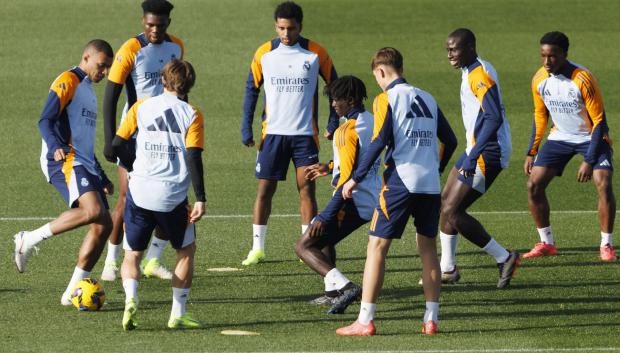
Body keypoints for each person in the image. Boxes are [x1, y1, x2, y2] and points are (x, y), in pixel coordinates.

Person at [337, 47, 457, 336]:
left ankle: (365, 320)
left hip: (401, 183)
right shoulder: (427, 97)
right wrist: (435, 170)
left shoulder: (385, 98)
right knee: (428, 249)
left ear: (380, 71)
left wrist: (354, 178)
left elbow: (378, 142)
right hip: (430, 186)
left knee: (377, 247)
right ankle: (431, 320)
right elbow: (451, 140)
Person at [13, 39, 115, 306]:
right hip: (64, 158)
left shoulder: (90, 90)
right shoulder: (69, 79)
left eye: (108, 68)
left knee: (104, 224)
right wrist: (56, 145)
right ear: (86, 58)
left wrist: (101, 175)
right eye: (101, 66)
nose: (104, 72)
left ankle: (71, 291)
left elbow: (84, 139)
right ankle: (28, 239)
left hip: (83, 160)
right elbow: (45, 118)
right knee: (94, 212)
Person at [240, 1, 338, 266]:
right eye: (281, 28)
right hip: (272, 134)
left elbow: (335, 86)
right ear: (276, 26)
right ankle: (257, 248)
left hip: (305, 135)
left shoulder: (316, 53)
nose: (286, 34)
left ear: (300, 27)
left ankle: (308, 246)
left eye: (291, 29)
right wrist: (246, 127)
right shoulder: (264, 53)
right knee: (264, 190)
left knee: (307, 190)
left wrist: (333, 122)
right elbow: (252, 89)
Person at [112, 59, 206, 330]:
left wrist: (133, 167)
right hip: (172, 197)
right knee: (186, 251)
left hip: (139, 192)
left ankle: (131, 299)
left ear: (162, 80)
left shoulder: (141, 107)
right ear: (190, 84)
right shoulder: (192, 114)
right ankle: (177, 313)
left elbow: (116, 145)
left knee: (132, 255)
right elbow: (193, 157)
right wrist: (200, 197)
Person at [101, 0, 185, 281]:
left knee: (171, 196)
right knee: (126, 198)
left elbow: (179, 90)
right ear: (142, 22)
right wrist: (110, 139)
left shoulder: (177, 47)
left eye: (160, 25)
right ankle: (111, 261)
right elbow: (111, 95)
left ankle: (152, 260)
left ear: (168, 24)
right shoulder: (130, 50)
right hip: (134, 136)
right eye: (150, 24)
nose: (155, 30)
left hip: (165, 136)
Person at [523, 31, 616, 261]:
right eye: (543, 56)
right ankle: (546, 243)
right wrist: (531, 151)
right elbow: (540, 116)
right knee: (533, 185)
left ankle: (606, 245)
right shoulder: (539, 79)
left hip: (591, 138)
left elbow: (599, 122)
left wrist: (588, 159)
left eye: (552, 56)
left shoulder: (582, 78)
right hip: (560, 138)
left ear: (564, 54)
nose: (547, 62)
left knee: (603, 183)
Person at [438, 28, 519, 287]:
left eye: (454, 49)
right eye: (448, 49)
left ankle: (504, 257)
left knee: (453, 210)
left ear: (471, 47)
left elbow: (493, 116)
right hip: (476, 147)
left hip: (488, 151)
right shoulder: (471, 70)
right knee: (445, 203)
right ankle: (447, 269)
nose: (449, 54)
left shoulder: (479, 74)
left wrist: (474, 154)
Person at [296, 76, 382, 315]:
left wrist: (326, 214)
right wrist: (330, 166)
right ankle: (332, 293)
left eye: (337, 99)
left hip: (351, 199)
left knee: (304, 246)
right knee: (326, 240)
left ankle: (346, 287)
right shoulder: (373, 122)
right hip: (372, 195)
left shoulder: (345, 131)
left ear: (351, 100)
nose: (333, 104)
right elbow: (361, 160)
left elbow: (347, 179)